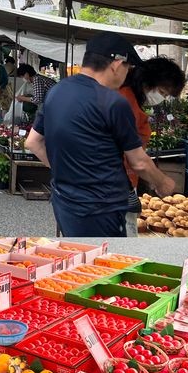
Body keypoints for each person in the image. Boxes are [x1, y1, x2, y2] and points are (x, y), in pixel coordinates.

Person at [25, 32, 176, 237]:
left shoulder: (57, 91)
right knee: (108, 261)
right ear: (116, 63)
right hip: (102, 208)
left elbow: (33, 142)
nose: (127, 74)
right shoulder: (113, 102)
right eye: (127, 67)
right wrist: (163, 182)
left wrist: (67, 172)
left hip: (64, 201)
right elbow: (139, 162)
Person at [119, 57, 185, 235]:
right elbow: (136, 160)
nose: (161, 98)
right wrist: (161, 181)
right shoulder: (125, 101)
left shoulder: (130, 99)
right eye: (162, 92)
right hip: (118, 185)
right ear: (147, 82)